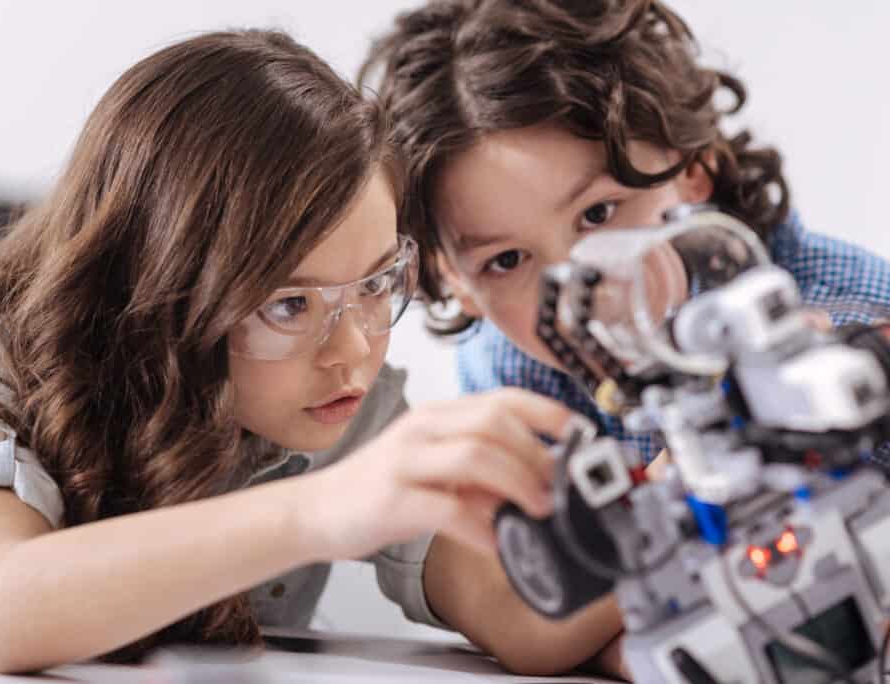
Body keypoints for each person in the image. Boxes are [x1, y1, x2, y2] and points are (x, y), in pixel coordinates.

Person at [0, 30, 574, 674]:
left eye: (378, 282)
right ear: (162, 292)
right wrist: (323, 509)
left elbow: (524, 618)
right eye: (289, 304)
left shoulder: (348, 406)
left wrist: (672, 507)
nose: (354, 349)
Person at [362, 0, 890, 676]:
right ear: (453, 280)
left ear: (692, 166)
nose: (573, 290)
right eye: (507, 260)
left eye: (599, 214)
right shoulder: (509, 366)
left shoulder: (835, 334)